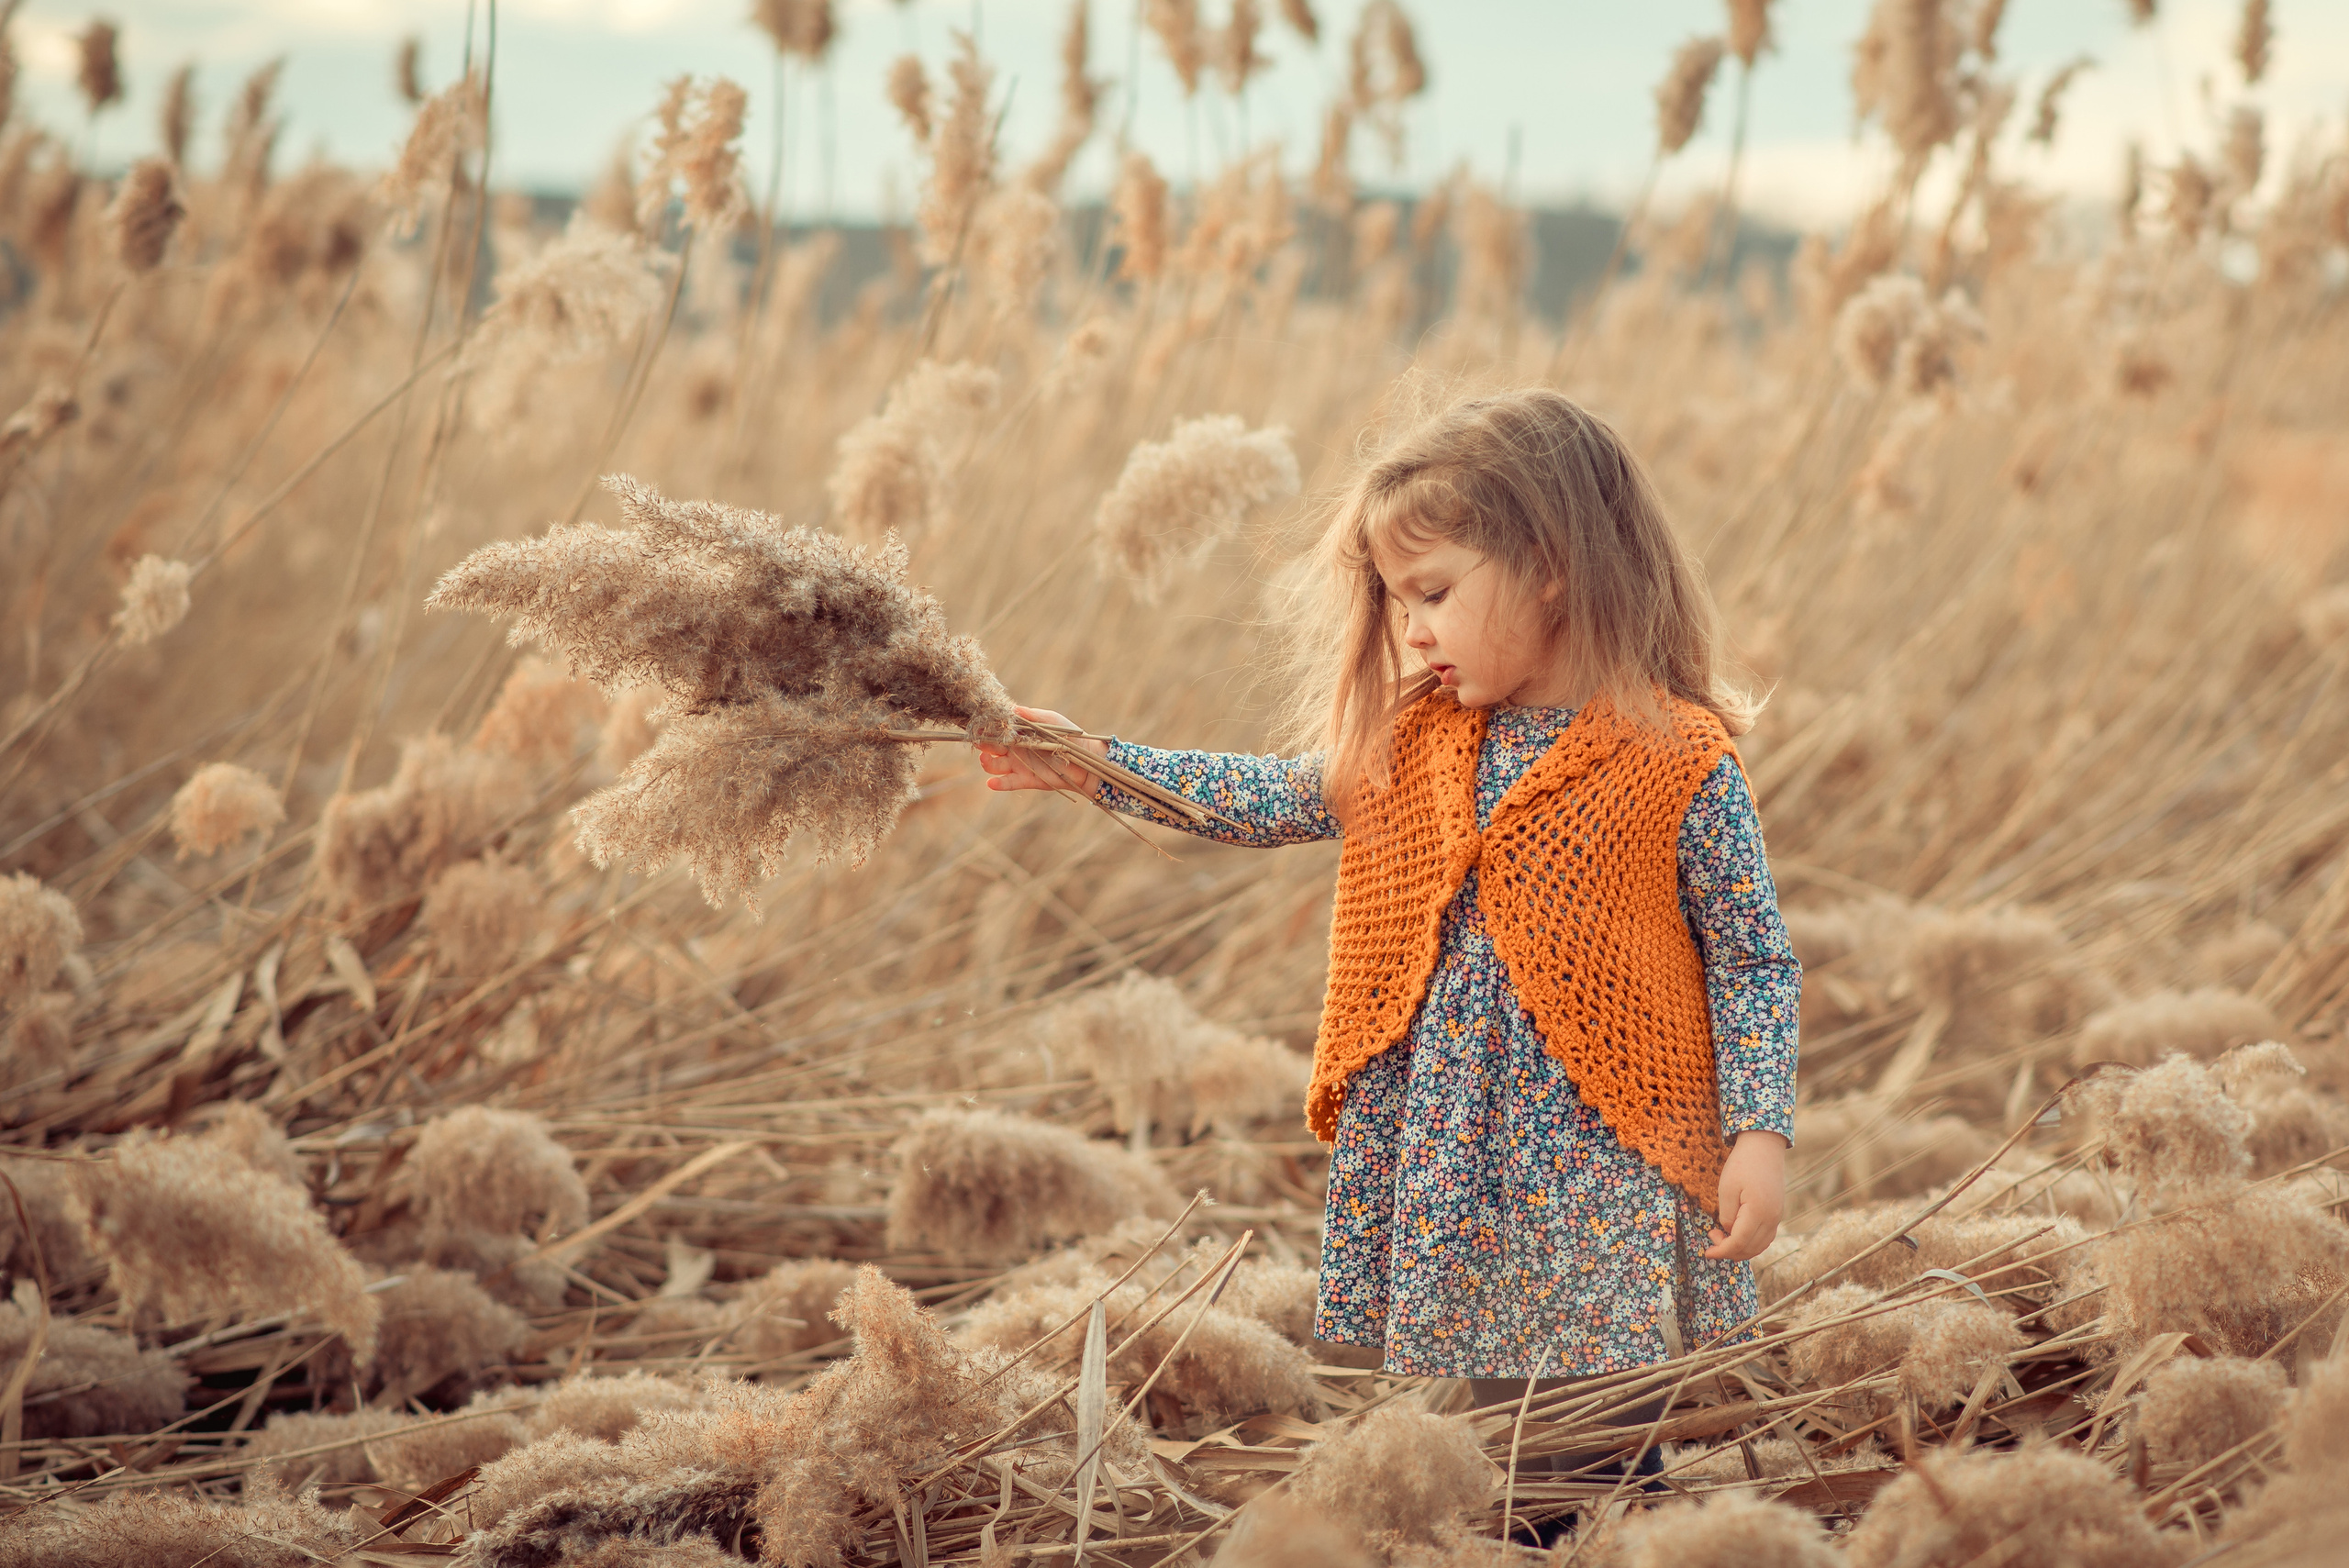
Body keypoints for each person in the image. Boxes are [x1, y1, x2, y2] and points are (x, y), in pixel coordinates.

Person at [977, 387, 1798, 1523]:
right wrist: (1096, 763)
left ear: (1550, 563)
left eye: (1433, 591)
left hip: (1594, 1143)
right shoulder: (1413, 735)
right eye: (1393, 598)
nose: (1409, 626)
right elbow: (1267, 798)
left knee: (1593, 1420)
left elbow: (1751, 956)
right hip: (1447, 1132)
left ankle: (1621, 1530)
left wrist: (1760, 1125)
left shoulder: (1676, 755)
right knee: (1477, 1416)